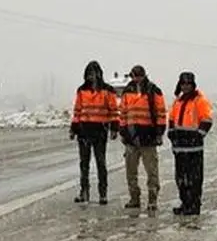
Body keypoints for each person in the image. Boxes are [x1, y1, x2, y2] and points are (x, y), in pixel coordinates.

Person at [118, 65, 167, 212]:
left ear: (144, 75)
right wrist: (123, 132)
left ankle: (152, 200)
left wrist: (159, 133)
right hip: (131, 138)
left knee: (151, 171)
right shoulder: (127, 91)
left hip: (149, 137)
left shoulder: (154, 90)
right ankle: (134, 198)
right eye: (134, 76)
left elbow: (161, 114)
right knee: (130, 171)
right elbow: (123, 114)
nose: (136, 79)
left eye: (139, 76)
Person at [70, 60, 119, 205]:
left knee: (100, 163)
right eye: (89, 74)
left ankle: (103, 193)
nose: (92, 76)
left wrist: (114, 128)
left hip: (100, 131)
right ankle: (84, 192)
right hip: (84, 131)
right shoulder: (81, 90)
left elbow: (113, 111)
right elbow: (77, 111)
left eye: (94, 73)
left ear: (99, 74)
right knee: (84, 164)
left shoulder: (107, 90)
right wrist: (73, 128)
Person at [167, 71, 213, 215]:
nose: (185, 86)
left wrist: (198, 136)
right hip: (180, 148)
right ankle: (185, 203)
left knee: (194, 179)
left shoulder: (200, 100)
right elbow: (172, 120)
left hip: (194, 148)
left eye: (188, 84)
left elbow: (207, 120)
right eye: (183, 83)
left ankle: (194, 205)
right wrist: (171, 134)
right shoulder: (177, 102)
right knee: (181, 179)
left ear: (193, 85)